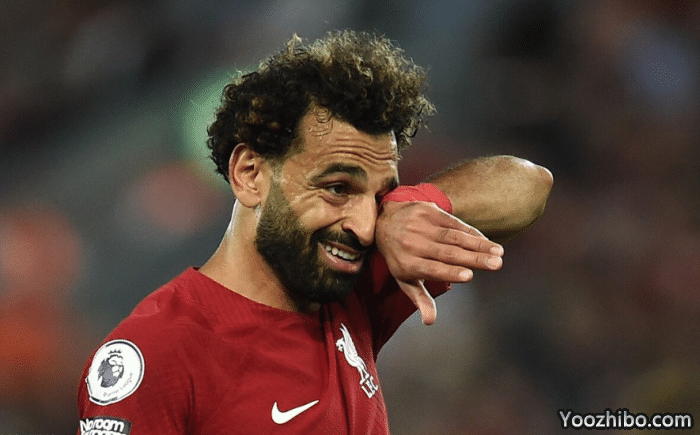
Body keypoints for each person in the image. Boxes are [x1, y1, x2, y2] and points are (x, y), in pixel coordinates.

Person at [77, 30, 552, 434]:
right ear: (249, 173)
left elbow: (529, 185)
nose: (363, 225)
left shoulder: (352, 284)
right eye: (338, 188)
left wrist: (409, 207)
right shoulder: (157, 352)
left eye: (379, 195)